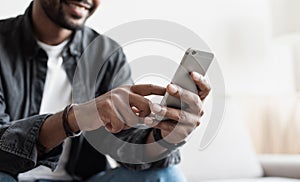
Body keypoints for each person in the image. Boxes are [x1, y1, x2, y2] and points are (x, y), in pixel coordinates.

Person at [0, 0, 211, 181]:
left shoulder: (106, 54)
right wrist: (74, 119)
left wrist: (164, 137)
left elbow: (126, 143)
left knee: (166, 176)